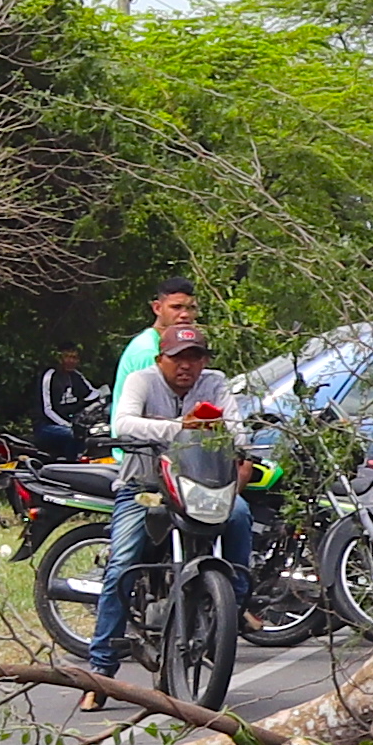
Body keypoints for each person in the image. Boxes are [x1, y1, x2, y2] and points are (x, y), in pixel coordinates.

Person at [82, 284, 248, 682]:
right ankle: (101, 669)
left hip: (201, 489)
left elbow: (238, 434)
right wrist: (180, 428)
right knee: (122, 562)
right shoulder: (142, 380)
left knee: (241, 516)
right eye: (178, 358)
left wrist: (233, 443)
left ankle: (234, 606)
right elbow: (122, 423)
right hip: (145, 487)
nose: (186, 366)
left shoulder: (216, 383)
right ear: (162, 358)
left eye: (195, 357)